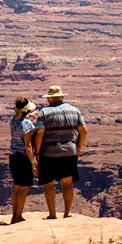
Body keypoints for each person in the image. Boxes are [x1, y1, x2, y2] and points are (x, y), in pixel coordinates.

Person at [33, 86, 87, 219]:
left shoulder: (44, 112)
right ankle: (67, 213)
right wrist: (78, 148)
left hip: (48, 153)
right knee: (67, 182)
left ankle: (52, 214)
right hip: (69, 151)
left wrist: (37, 153)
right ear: (62, 97)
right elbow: (84, 130)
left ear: (49, 98)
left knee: (48, 183)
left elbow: (39, 132)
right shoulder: (75, 110)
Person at [8, 97, 39, 224]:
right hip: (23, 157)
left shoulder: (12, 120)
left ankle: (14, 216)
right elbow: (28, 145)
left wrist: (30, 116)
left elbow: (21, 121)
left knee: (16, 187)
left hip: (13, 156)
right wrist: (33, 163)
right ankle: (18, 217)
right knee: (24, 187)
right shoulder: (27, 124)